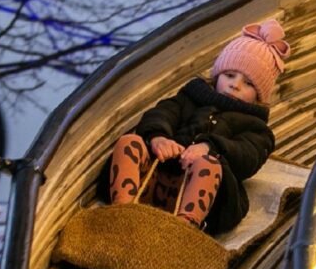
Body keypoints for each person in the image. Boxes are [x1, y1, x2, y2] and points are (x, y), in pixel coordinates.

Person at [107, 18, 290, 234]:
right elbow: (161, 113)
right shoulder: (190, 98)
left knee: (208, 166)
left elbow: (248, 156)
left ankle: (184, 230)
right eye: (229, 75)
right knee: (130, 142)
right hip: (155, 178)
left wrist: (210, 148)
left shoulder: (256, 128)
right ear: (217, 74)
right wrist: (159, 137)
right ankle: (121, 210)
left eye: (248, 83)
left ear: (260, 95)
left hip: (205, 198)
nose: (235, 85)